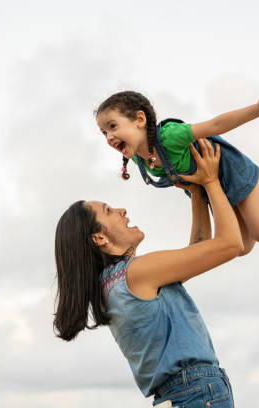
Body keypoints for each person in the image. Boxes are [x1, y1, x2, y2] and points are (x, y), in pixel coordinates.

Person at [54, 140, 244, 407]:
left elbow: (200, 252)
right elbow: (231, 244)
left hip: (178, 395)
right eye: (109, 211)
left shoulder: (111, 285)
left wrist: (196, 190)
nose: (122, 211)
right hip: (197, 392)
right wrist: (211, 181)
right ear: (99, 238)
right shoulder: (138, 273)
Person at [95, 86, 259, 256]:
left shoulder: (170, 136)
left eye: (113, 126)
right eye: (104, 132)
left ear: (140, 120)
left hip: (234, 174)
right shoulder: (138, 158)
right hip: (213, 191)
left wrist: (257, 109)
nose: (109, 137)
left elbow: (215, 125)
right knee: (241, 247)